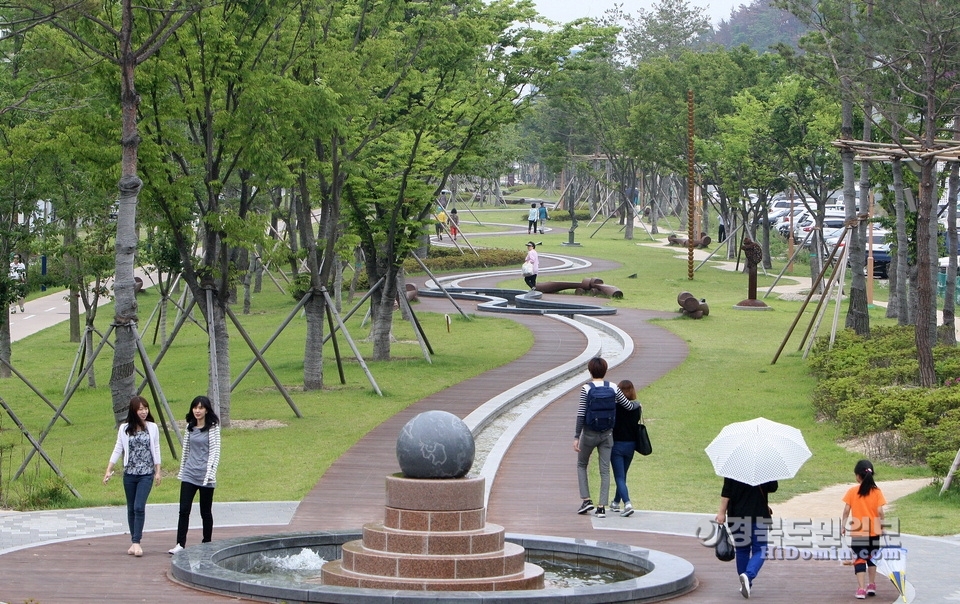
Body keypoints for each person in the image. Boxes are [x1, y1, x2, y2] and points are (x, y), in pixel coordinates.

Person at [574, 357, 639, 518]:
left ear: (590, 371)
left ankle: (586, 500)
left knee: (582, 464)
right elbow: (629, 406)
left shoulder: (586, 388)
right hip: (607, 435)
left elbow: (581, 413)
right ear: (605, 370)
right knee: (605, 470)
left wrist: (577, 436)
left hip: (589, 433)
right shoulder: (613, 387)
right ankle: (602, 507)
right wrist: (638, 404)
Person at [104, 396, 162, 557]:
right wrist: (109, 469)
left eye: (146, 409)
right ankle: (133, 542)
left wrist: (158, 471)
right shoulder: (124, 429)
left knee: (138, 507)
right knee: (131, 508)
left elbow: (156, 448)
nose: (144, 412)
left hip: (146, 473)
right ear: (134, 411)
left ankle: (137, 541)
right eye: (140, 409)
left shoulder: (152, 427)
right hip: (129, 473)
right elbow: (118, 449)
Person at [169, 395, 221, 554]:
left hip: (206, 476)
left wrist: (210, 473)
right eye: (195, 408)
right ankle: (180, 543)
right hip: (189, 474)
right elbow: (186, 451)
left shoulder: (213, 428)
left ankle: (207, 542)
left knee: (205, 511)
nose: (197, 411)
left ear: (206, 410)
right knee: (184, 509)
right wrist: (183, 470)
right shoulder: (189, 427)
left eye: (201, 408)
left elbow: (215, 451)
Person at [716, 477, 777, 599]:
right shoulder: (765, 467)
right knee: (761, 550)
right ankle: (748, 576)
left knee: (742, 550)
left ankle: (746, 581)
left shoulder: (732, 468)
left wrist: (721, 513)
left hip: (737, 516)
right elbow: (773, 488)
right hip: (759, 516)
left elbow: (726, 492)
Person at [841, 459, 887, 599]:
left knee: (860, 558)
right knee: (872, 558)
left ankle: (861, 589)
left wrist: (843, 525)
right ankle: (871, 585)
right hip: (874, 531)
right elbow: (880, 511)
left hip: (859, 531)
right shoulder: (877, 492)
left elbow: (846, 510)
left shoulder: (853, 491)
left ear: (858, 476)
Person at [610, 379, 640, 518]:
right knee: (622, 476)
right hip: (631, 445)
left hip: (617, 445)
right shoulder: (637, 407)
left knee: (619, 477)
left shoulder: (614, 407)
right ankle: (616, 502)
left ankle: (627, 503)